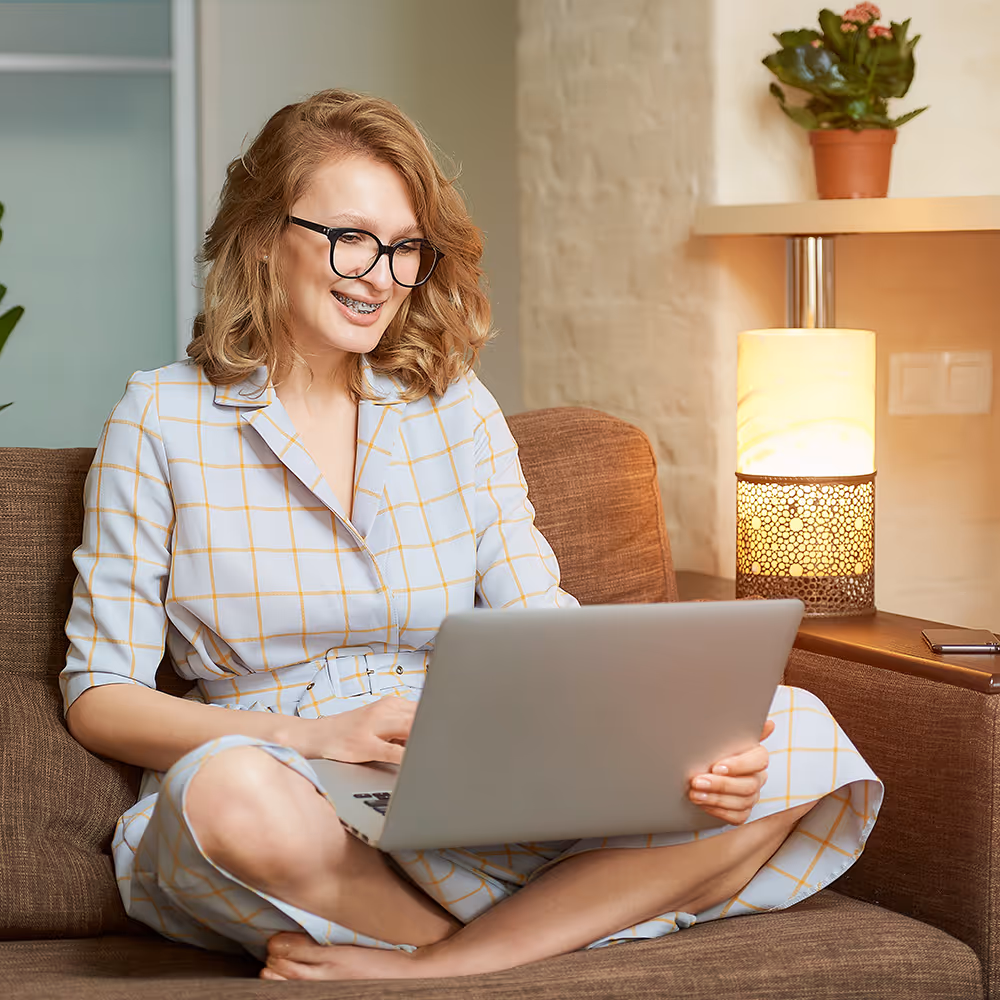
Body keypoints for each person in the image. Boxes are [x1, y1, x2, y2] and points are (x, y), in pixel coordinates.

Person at [60, 89, 882, 983]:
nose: (378, 275)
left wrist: (690, 746)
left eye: (404, 248)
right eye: (349, 238)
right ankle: (533, 935)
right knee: (226, 796)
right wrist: (318, 738)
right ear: (263, 235)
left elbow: (543, 624)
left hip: (472, 769)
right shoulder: (162, 416)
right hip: (286, 785)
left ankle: (440, 964)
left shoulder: (453, 406)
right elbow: (99, 695)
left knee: (797, 731)